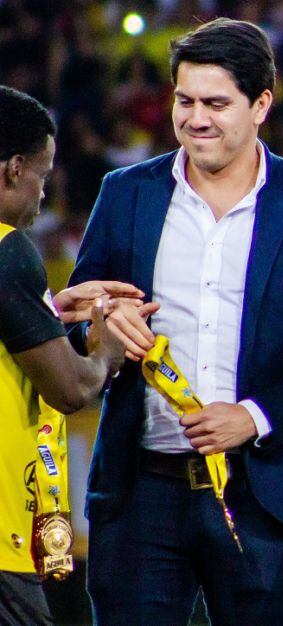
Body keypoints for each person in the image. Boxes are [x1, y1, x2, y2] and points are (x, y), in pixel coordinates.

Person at [66, 19, 283, 624]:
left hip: (261, 496)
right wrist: (100, 327)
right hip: (139, 493)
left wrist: (252, 418)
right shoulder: (125, 193)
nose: (196, 119)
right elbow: (78, 324)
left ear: (261, 105)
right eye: (185, 101)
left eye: (216, 104)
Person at [0, 85, 127, 626]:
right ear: (14, 168)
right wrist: (106, 350)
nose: (42, 195)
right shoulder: (8, 250)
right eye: (42, 177)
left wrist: (44, 312)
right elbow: (71, 388)